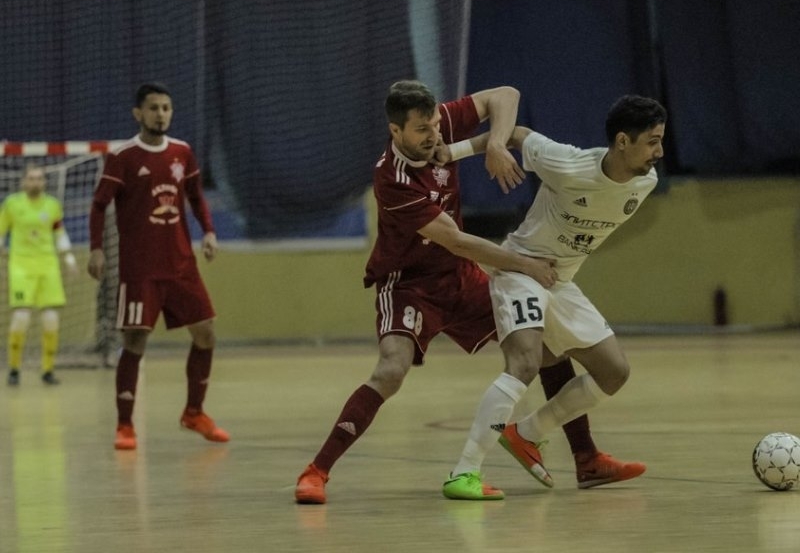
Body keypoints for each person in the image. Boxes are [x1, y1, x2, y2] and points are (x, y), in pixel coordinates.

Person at [295, 80, 638, 504]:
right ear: (395, 131)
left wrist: (495, 143)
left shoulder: (440, 122)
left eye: (435, 125)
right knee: (391, 370)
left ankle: (586, 459)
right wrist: (525, 265)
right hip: (410, 286)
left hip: (460, 278)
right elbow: (457, 240)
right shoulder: (392, 178)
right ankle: (316, 471)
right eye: (422, 130)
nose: (434, 135)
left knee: (549, 347)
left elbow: (506, 96)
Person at [442, 95, 667, 496]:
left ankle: (526, 434)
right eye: (652, 141)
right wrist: (458, 151)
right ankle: (464, 472)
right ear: (622, 141)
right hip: (519, 268)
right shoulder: (568, 164)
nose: (659, 152)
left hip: (560, 282)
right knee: (525, 362)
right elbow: (515, 134)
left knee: (614, 371)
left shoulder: (644, 183)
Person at [88, 82, 229, 451]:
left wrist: (209, 231)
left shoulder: (182, 152)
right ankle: (125, 425)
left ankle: (194, 412)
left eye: (166, 108)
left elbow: (196, 196)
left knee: (206, 333)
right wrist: (96, 250)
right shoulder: (123, 157)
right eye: (153, 108)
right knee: (135, 340)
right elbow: (99, 205)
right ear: (138, 113)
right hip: (140, 269)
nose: (161, 114)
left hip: (181, 265)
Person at [0, 164, 78, 386]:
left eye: (40, 178)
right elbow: (1, 231)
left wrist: (69, 258)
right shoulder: (12, 204)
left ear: (44, 182)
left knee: (51, 319)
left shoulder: (52, 205)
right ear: (23, 181)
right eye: (32, 178)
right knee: (21, 318)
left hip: (48, 266)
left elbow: (59, 232)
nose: (36, 182)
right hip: (21, 267)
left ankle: (48, 370)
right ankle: (14, 369)